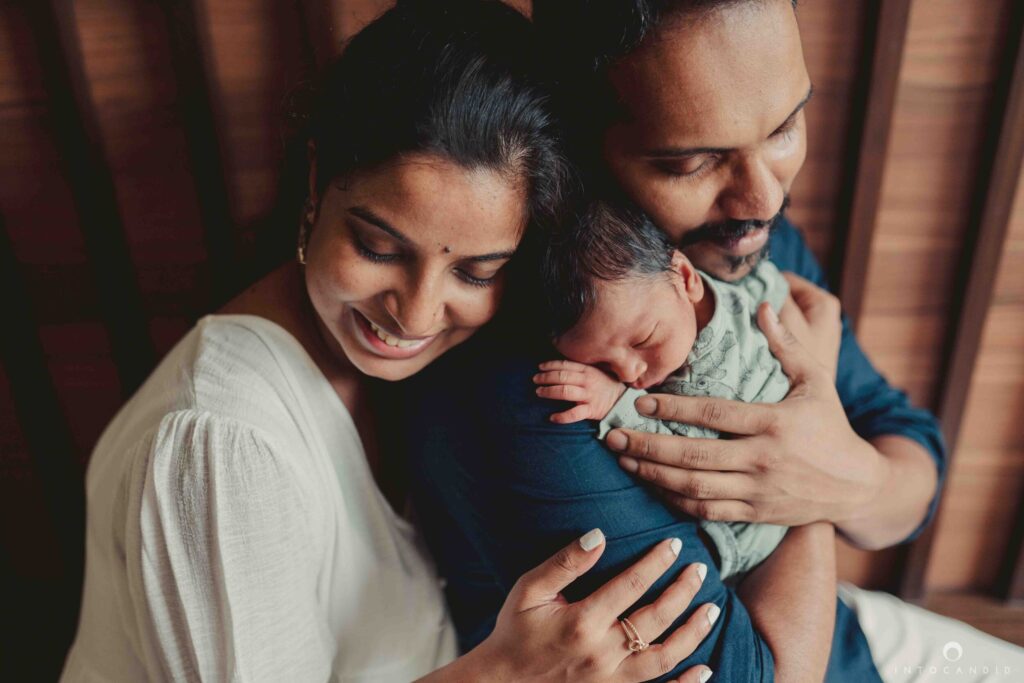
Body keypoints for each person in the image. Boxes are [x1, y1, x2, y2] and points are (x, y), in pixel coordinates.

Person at [58, 2, 719, 681]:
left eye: (475, 271)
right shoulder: (223, 444)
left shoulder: (447, 370)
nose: (416, 312)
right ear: (317, 183)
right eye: (377, 246)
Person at [396, 0, 1015, 681]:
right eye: (691, 163)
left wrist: (843, 478)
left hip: (859, 637)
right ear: (578, 147)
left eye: (783, 128)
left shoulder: (729, 250)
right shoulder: (542, 379)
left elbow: (910, 467)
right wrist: (801, 477)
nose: (763, 203)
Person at [534, 199, 791, 585]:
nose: (631, 372)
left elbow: (690, 458)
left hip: (748, 538)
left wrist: (614, 403)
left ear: (686, 276)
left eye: (644, 339)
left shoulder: (705, 383)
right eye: (602, 367)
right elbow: (770, 282)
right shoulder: (720, 293)